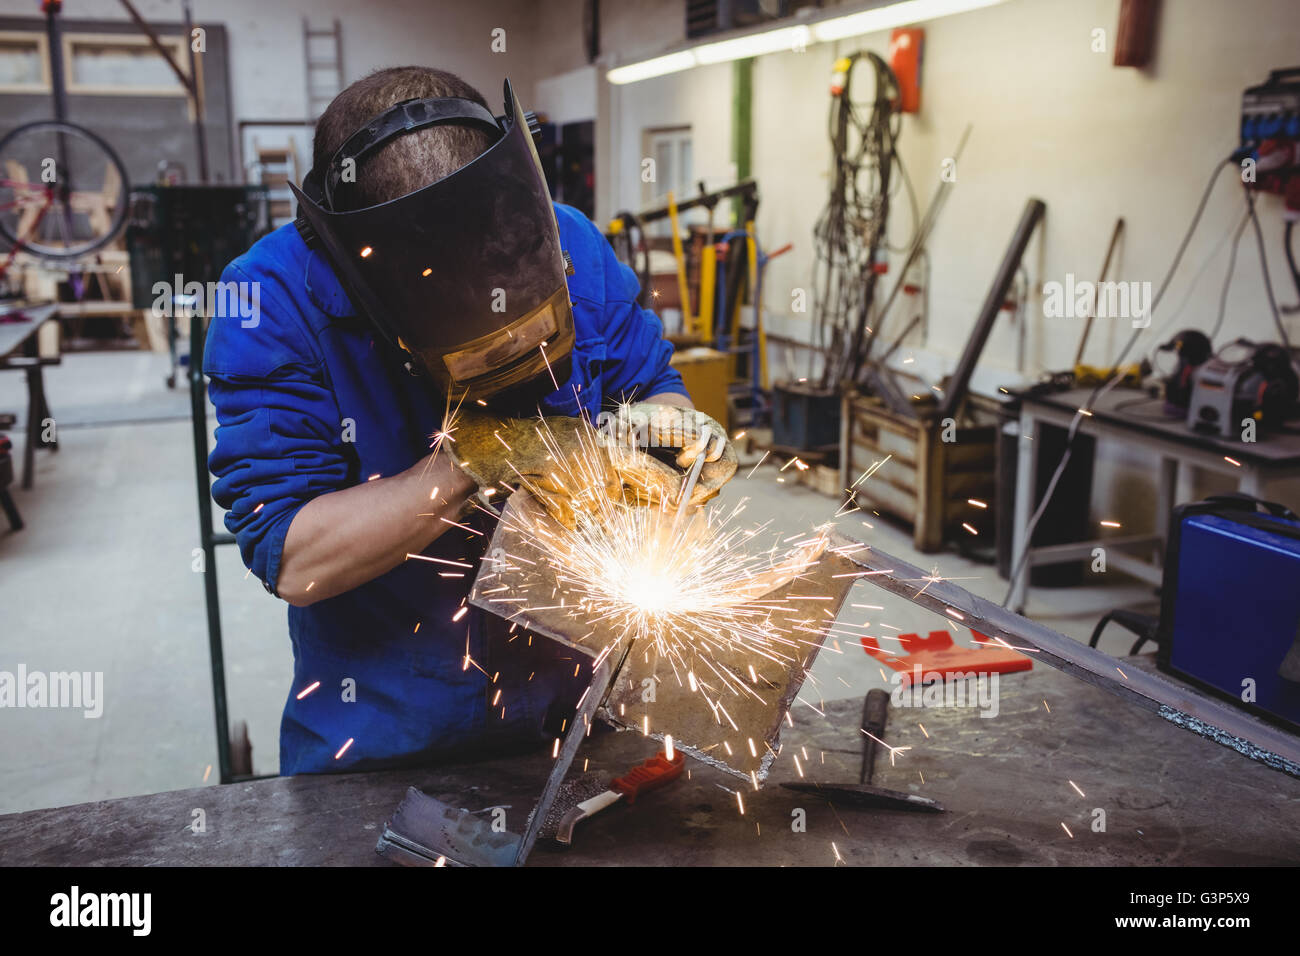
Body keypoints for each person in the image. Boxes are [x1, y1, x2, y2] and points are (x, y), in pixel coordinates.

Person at [204, 66, 726, 774]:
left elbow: (657, 390)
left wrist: (670, 453)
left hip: (582, 719)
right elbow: (295, 558)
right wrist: (471, 462)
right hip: (385, 742)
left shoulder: (569, 241)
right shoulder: (274, 299)